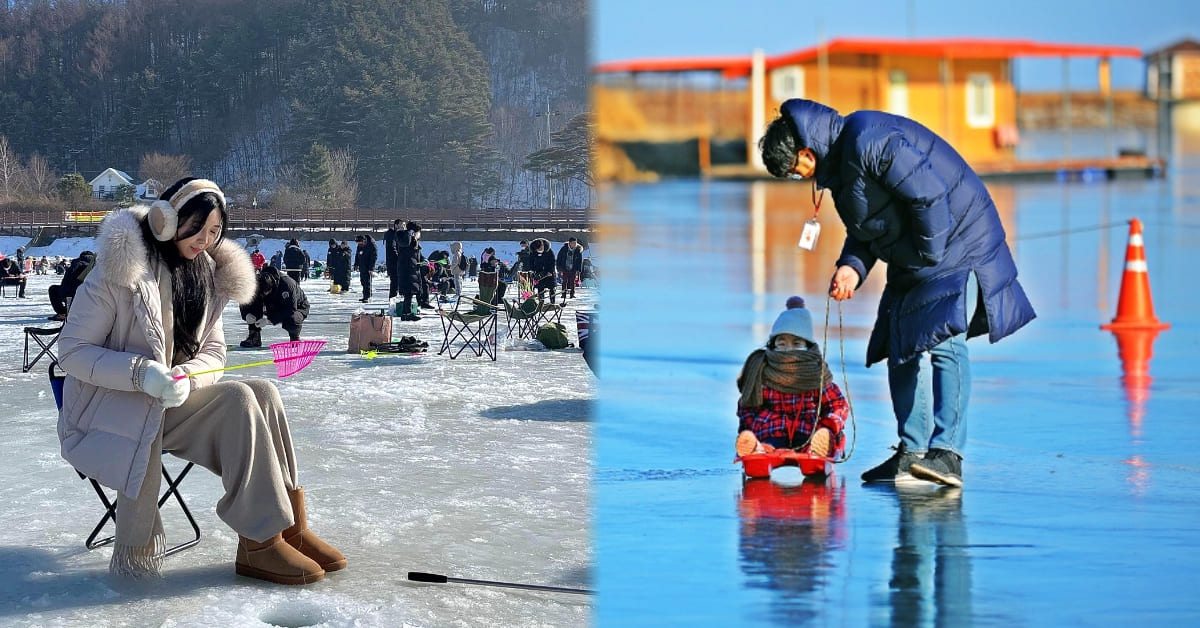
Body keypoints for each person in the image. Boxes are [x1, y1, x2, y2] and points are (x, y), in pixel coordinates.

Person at [56, 177, 344, 585]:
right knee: (238, 401)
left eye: (214, 231)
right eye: (195, 227)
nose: (204, 240)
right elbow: (71, 351)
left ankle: (290, 525)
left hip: (170, 400)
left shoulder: (206, 272)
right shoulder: (119, 272)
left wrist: (188, 377)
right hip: (111, 406)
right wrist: (142, 374)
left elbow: (215, 353)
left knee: (262, 391)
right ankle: (258, 541)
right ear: (167, 220)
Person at [758, 98, 1036, 487]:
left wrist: (929, 255)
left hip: (956, 240)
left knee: (945, 342)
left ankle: (947, 454)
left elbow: (930, 194)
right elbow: (867, 228)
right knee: (900, 344)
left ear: (805, 151)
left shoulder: (868, 140)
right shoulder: (841, 170)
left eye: (794, 169)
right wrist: (851, 268)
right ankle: (912, 452)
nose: (799, 176)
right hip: (919, 253)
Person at [735, 297, 848, 460]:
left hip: (808, 431)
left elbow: (837, 404)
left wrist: (829, 426)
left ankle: (818, 449)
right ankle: (758, 449)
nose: (789, 350)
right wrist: (751, 427)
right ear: (773, 345)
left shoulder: (815, 374)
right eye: (782, 343)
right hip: (772, 429)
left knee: (816, 441)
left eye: (796, 344)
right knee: (767, 445)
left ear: (807, 346)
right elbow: (748, 405)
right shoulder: (764, 372)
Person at [239, 264, 310, 347]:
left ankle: (294, 337)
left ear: (272, 286)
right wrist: (247, 314)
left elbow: (290, 309)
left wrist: (269, 320)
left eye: (265, 293)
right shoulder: (255, 284)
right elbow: (243, 299)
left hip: (297, 306)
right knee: (254, 303)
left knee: (292, 318)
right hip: (272, 304)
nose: (264, 295)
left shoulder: (287, 285)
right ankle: (254, 336)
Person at [47, 250, 96, 320]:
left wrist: (64, 290)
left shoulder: (76, 263)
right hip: (85, 293)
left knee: (53, 289)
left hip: (68, 291)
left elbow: (68, 279)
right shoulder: (94, 266)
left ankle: (62, 313)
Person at [394, 221, 423, 321]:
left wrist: (423, 261)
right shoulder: (405, 237)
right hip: (406, 269)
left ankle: (407, 312)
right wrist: (408, 233)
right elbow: (405, 243)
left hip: (412, 268)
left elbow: (416, 254)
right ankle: (406, 313)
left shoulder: (413, 240)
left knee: (410, 293)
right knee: (408, 292)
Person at [527, 238, 557, 304]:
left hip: (549, 272)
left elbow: (552, 262)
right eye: (538, 249)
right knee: (540, 288)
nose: (539, 250)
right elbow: (530, 262)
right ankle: (541, 302)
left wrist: (550, 271)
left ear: (543, 246)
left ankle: (552, 302)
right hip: (539, 272)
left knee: (551, 288)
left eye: (540, 248)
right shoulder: (533, 252)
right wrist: (532, 270)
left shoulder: (549, 251)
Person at [556, 237, 583, 301]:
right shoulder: (564, 249)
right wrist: (559, 268)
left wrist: (579, 269)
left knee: (572, 281)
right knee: (564, 281)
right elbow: (559, 258)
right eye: (573, 243)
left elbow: (579, 261)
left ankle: (572, 294)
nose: (574, 244)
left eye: (575, 243)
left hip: (573, 268)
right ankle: (563, 294)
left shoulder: (578, 250)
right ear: (570, 243)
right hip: (565, 267)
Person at [354, 234, 377, 303]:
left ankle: (367, 296)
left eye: (360, 243)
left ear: (364, 241)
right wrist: (356, 264)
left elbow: (374, 257)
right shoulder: (360, 246)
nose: (359, 244)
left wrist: (371, 268)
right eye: (358, 243)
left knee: (367, 282)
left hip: (368, 266)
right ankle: (365, 295)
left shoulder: (371, 246)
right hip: (362, 266)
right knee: (363, 281)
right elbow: (357, 255)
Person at [384, 219, 403, 299]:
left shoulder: (398, 234)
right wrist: (399, 257)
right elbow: (392, 248)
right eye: (401, 225)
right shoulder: (392, 235)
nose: (402, 227)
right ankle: (392, 299)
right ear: (396, 225)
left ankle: (395, 298)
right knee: (394, 281)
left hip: (397, 261)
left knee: (398, 281)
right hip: (393, 262)